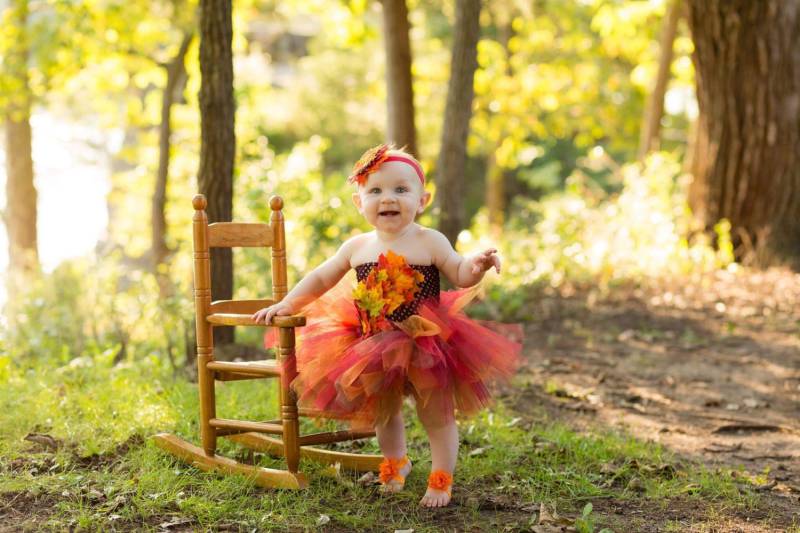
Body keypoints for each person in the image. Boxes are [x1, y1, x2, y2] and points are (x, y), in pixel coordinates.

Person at [253, 144, 520, 507]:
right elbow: (320, 278)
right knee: (385, 411)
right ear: (358, 202)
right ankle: (396, 463)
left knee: (435, 412)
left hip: (425, 342)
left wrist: (477, 264)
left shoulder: (430, 241)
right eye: (375, 190)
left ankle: (441, 477)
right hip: (372, 343)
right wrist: (288, 302)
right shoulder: (357, 247)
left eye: (401, 190)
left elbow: (460, 272)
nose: (388, 198)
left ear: (422, 200)